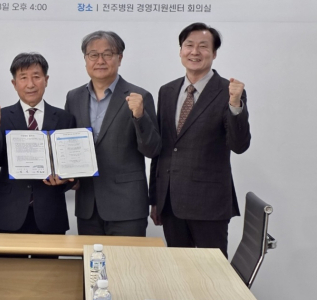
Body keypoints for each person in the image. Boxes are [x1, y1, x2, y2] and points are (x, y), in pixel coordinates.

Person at [149, 23, 250, 257]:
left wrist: (235, 105)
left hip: (209, 205)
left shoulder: (228, 91)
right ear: (180, 50)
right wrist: (156, 199)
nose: (195, 52)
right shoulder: (167, 91)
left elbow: (239, 145)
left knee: (211, 272)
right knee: (177, 269)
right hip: (170, 203)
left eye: (203, 46)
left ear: (214, 54)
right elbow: (161, 150)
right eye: (189, 45)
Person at [65, 30, 161, 236]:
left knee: (127, 258)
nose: (100, 61)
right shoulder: (74, 97)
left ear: (120, 58)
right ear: (85, 59)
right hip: (88, 205)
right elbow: (69, 145)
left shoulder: (140, 96)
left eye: (107, 54)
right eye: (93, 55)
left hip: (127, 206)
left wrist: (140, 116)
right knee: (90, 258)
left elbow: (152, 150)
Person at [0, 52, 76, 235]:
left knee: (50, 256)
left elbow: (72, 166)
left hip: (51, 212)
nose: (30, 84)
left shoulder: (65, 118)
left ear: (46, 80)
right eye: (23, 77)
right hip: (8, 211)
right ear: (14, 83)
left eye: (36, 76)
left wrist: (64, 180)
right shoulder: (1, 117)